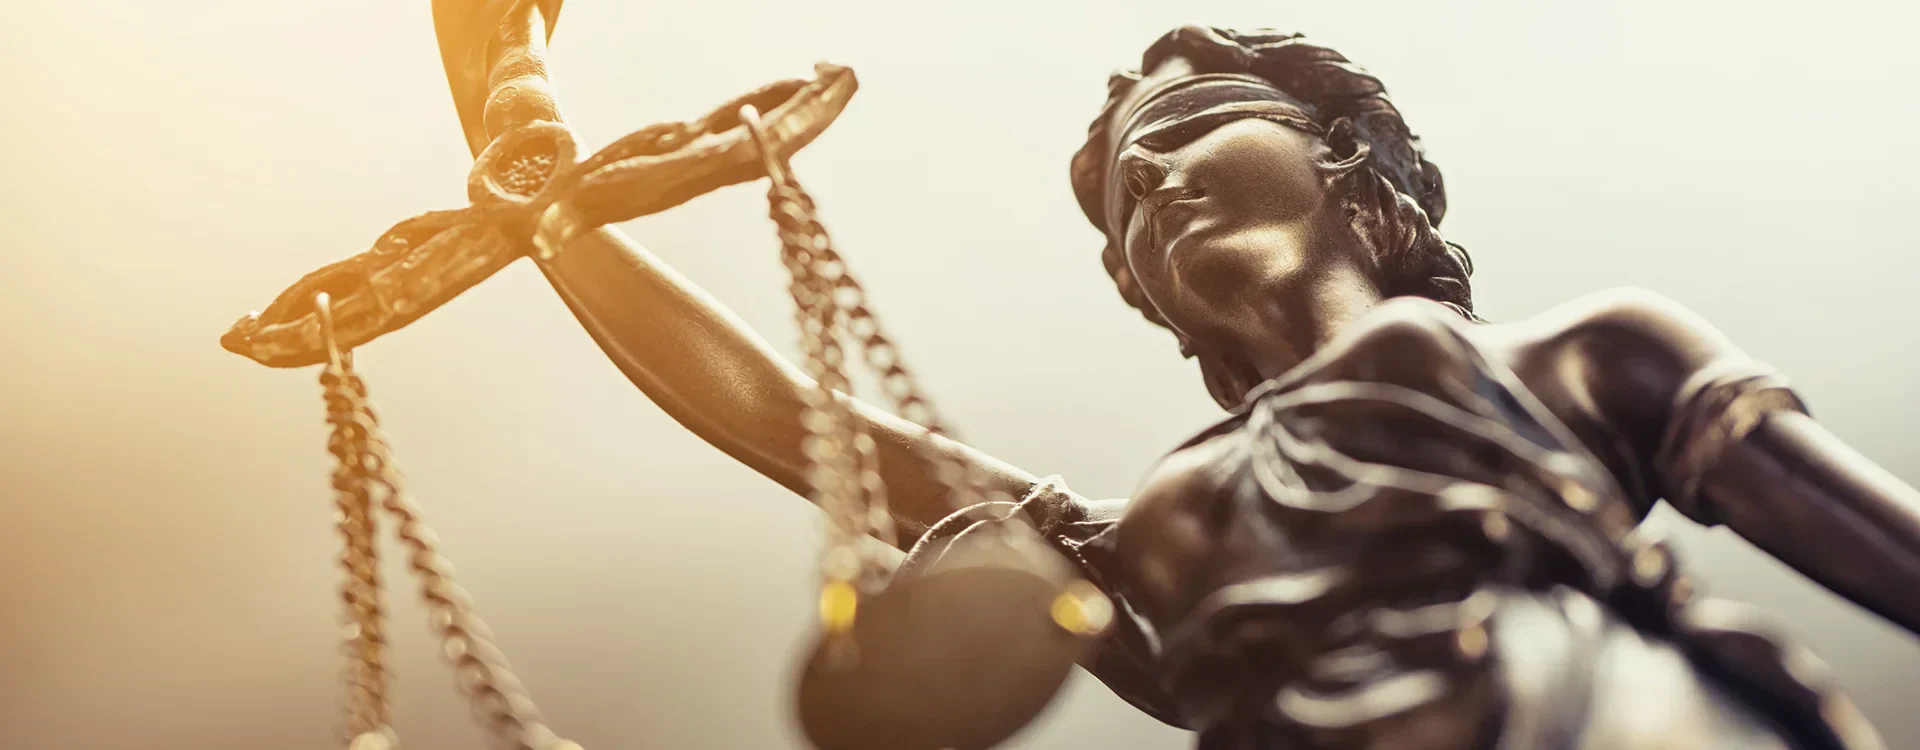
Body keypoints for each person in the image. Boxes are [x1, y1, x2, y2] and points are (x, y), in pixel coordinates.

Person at [393, 6, 1920, 748]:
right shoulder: (1142, 529)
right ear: (1135, 286)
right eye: (1128, 191)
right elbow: (799, 427)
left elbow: (1886, 543)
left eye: (1200, 127)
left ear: (1360, 178)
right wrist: (551, 215)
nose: (1158, 175)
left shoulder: (1585, 353)